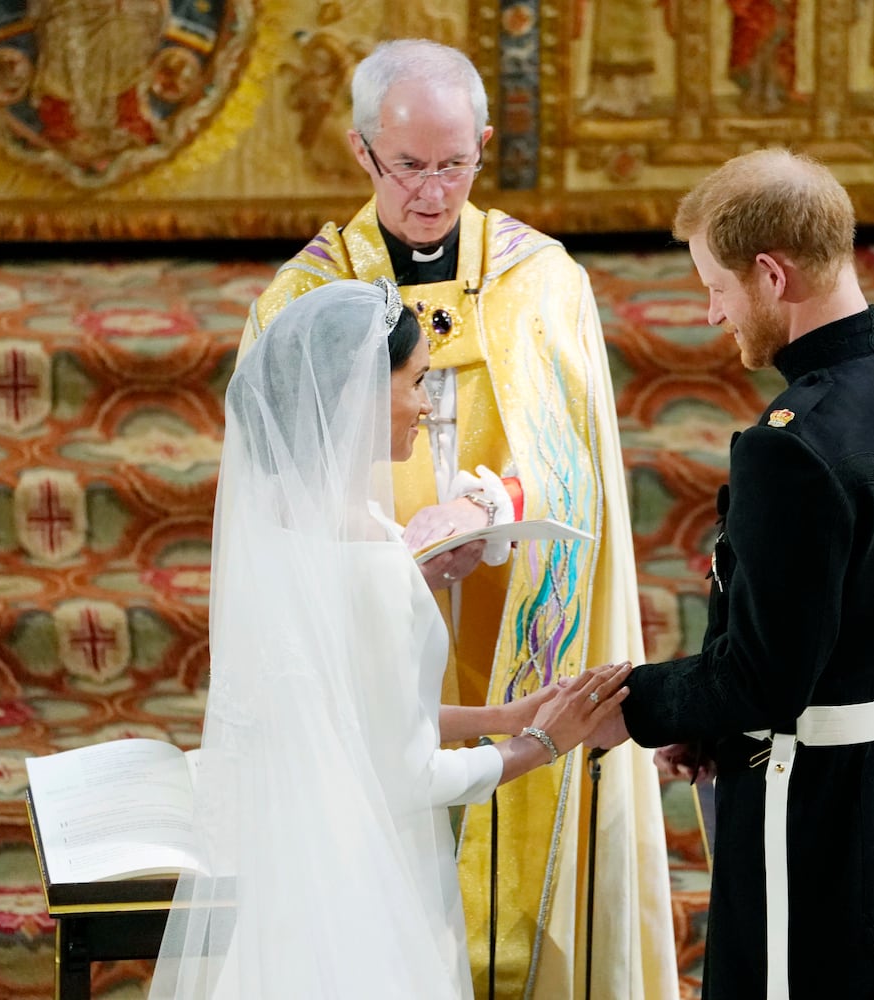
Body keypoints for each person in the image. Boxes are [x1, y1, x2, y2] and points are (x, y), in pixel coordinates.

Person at [236, 39, 677, 1000]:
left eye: (454, 164)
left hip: (515, 609)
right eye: (408, 167)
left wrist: (485, 504)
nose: (433, 192)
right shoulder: (306, 299)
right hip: (366, 606)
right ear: (362, 154)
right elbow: (271, 490)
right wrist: (387, 564)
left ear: (481, 145)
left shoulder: (541, 281)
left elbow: (578, 461)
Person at [149, 279, 633, 999]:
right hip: (366, 876)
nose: (428, 405)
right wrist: (543, 746)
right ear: (361, 394)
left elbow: (352, 721)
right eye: (417, 383)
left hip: (294, 862)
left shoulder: (282, 532)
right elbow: (405, 778)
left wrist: (502, 716)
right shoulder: (373, 562)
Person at [588, 147, 874, 999]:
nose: (709, 314)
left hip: (817, 819)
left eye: (717, 288)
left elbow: (764, 678)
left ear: (771, 274)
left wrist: (631, 706)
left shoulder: (790, 446)